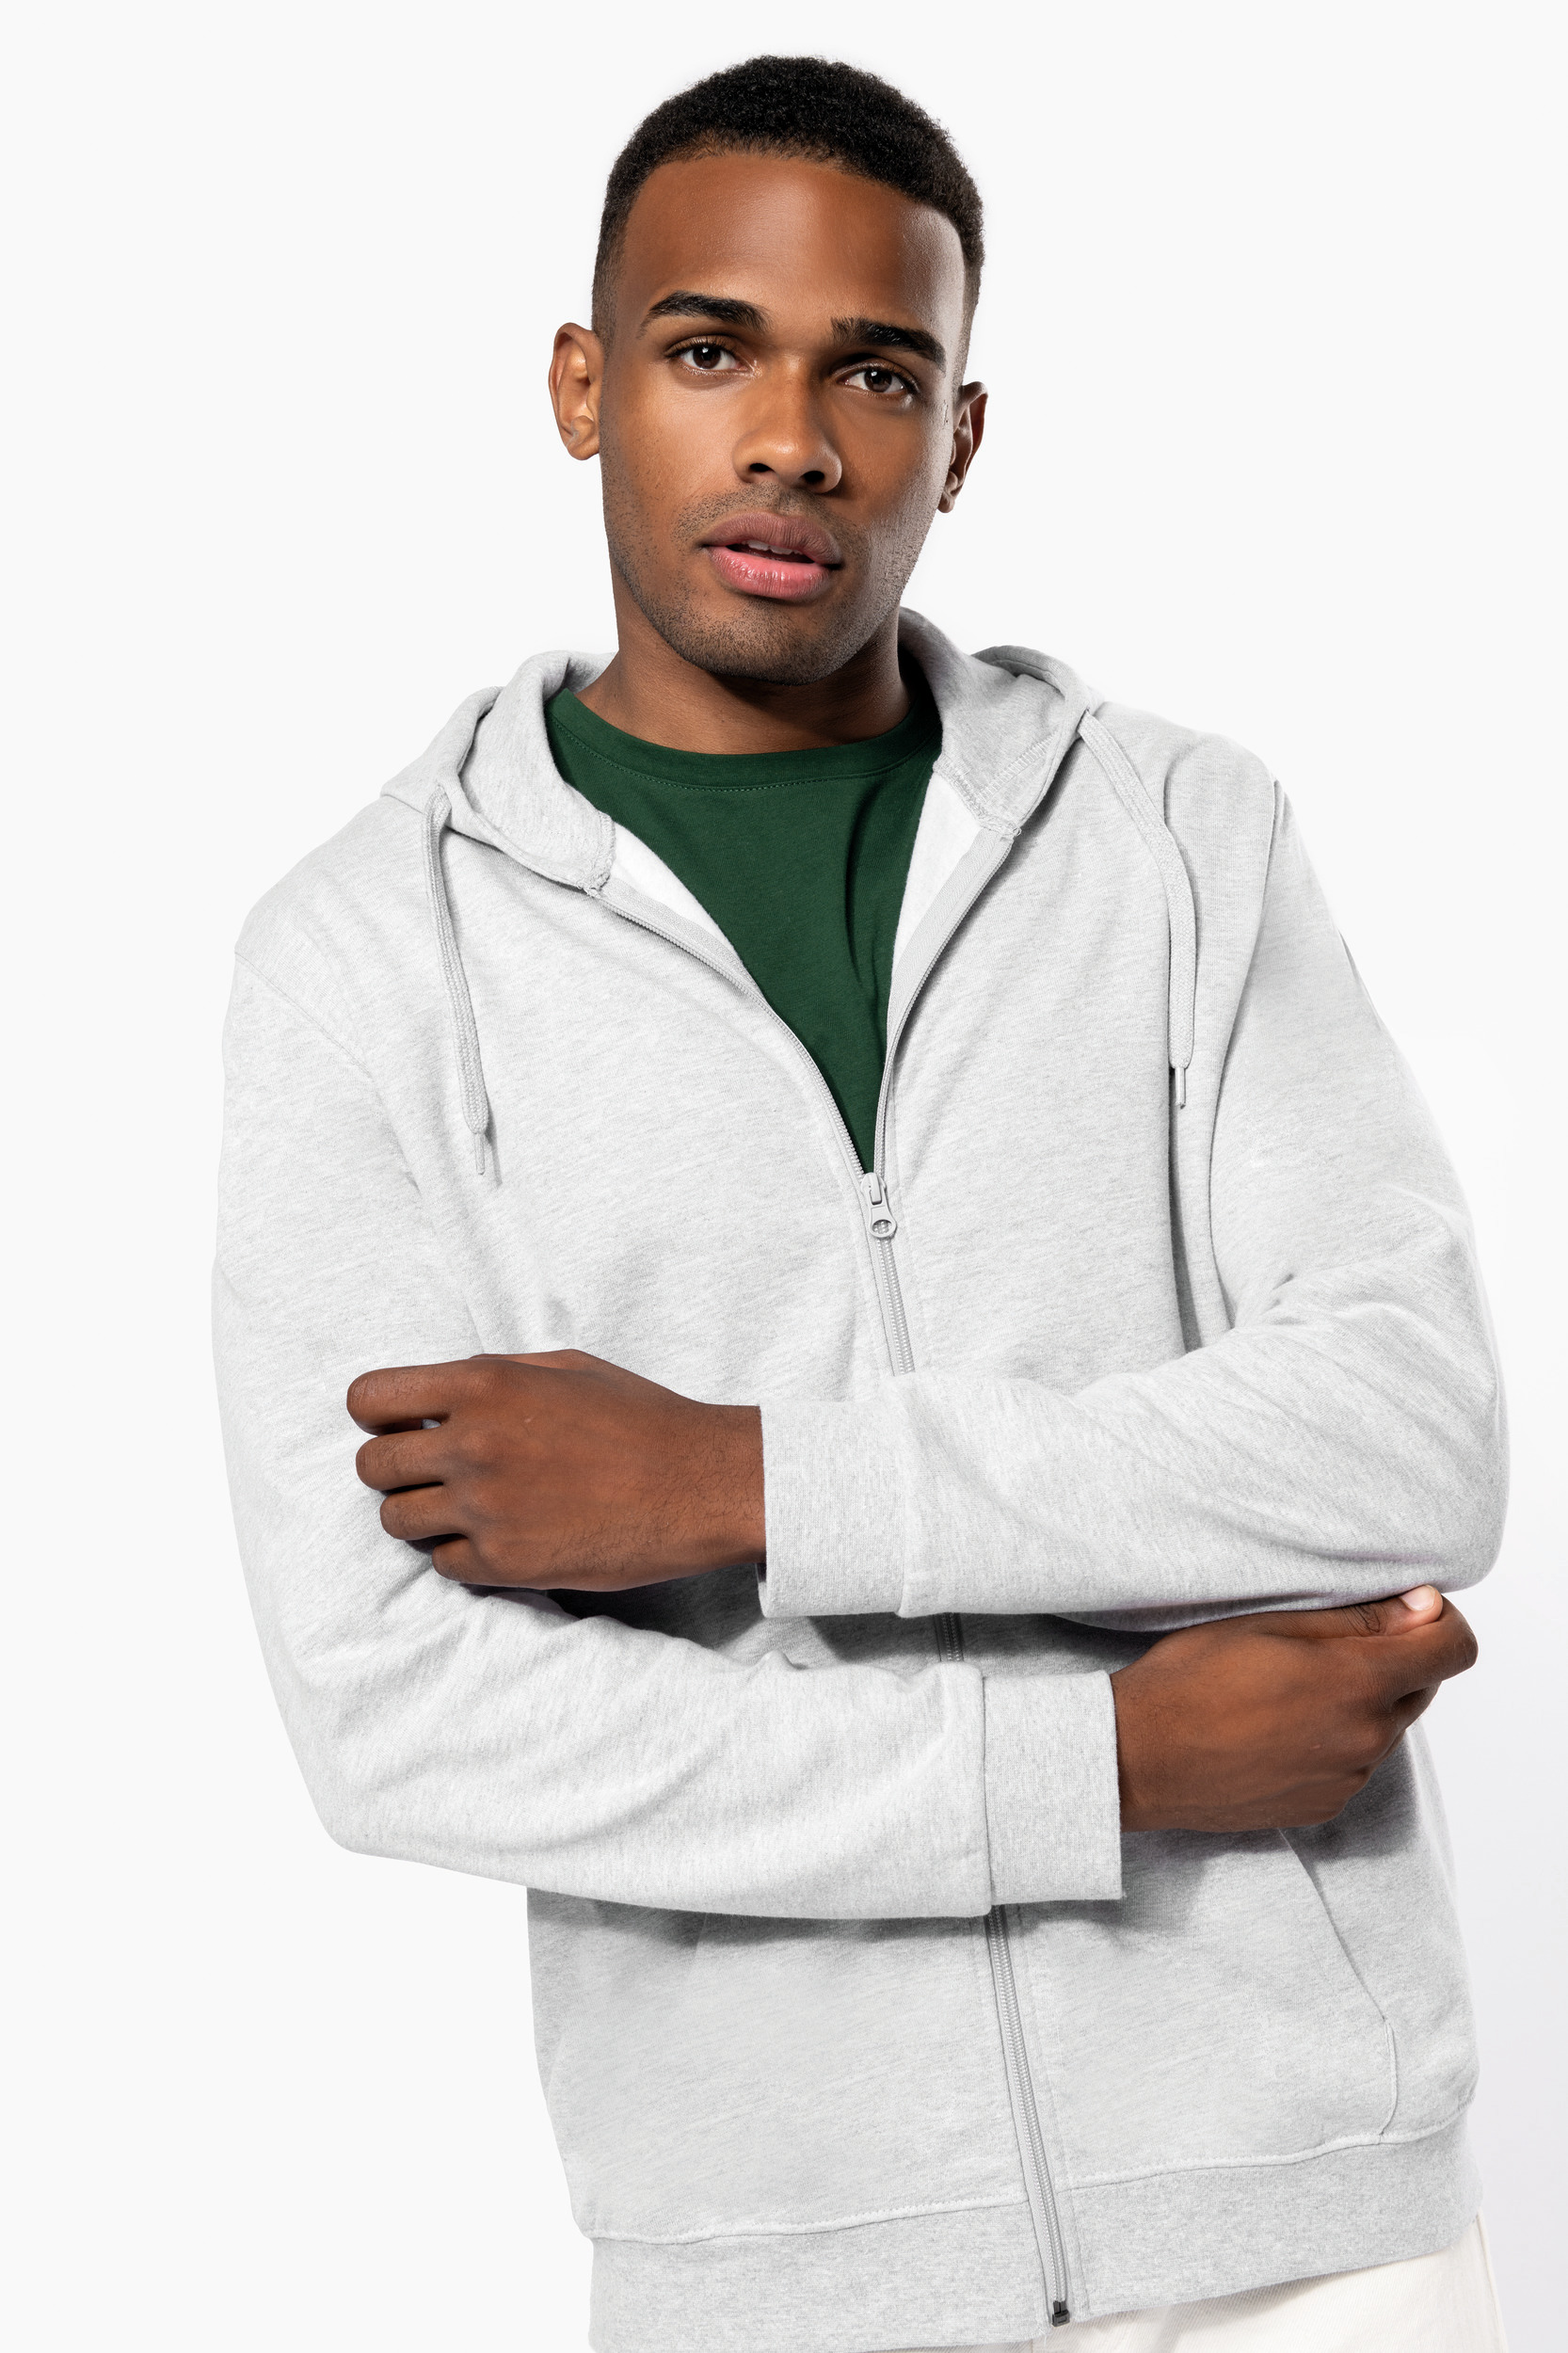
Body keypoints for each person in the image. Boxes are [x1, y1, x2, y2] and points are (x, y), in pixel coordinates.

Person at [215, 54, 1509, 2353]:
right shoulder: (365, 959)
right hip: (778, 2267)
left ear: (958, 434)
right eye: (709, 349)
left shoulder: (1176, 840)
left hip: (1313, 2235)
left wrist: (739, 1478)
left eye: (875, 372)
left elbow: (1406, 1428)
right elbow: (398, 1707)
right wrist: (1097, 1766)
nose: (793, 439)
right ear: (583, 386)